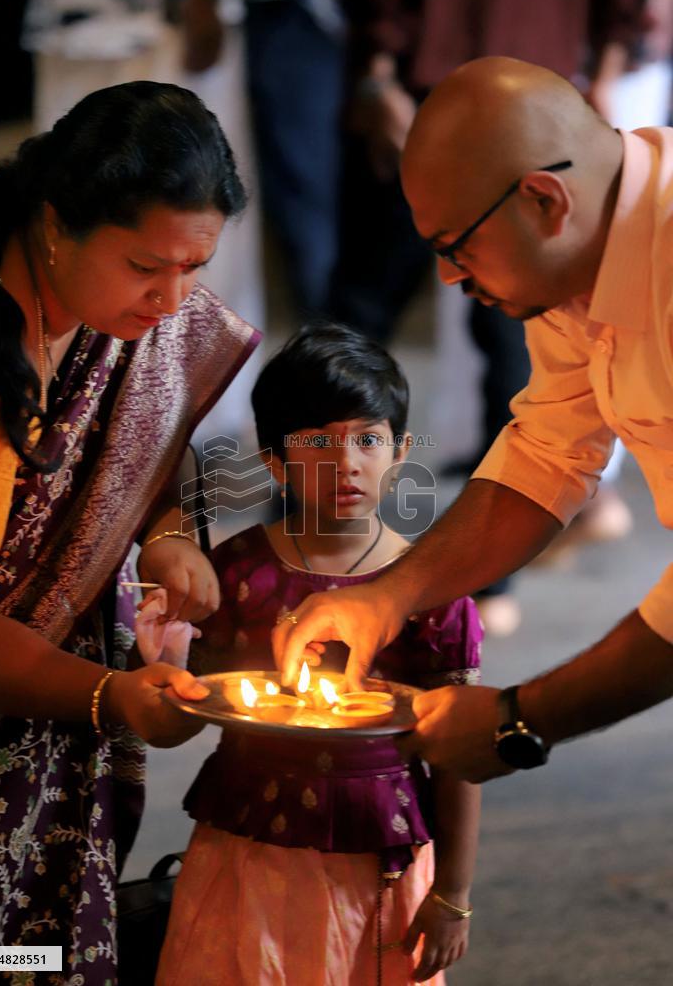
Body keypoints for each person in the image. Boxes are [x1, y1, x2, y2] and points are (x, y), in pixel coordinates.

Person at [272, 56, 673, 785]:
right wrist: (389, 596)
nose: (452, 280)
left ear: (544, 201)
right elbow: (548, 454)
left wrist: (521, 718)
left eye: (457, 249)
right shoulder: (579, 250)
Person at [0, 80, 259, 984]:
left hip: (44, 676)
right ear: (56, 224)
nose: (172, 301)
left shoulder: (96, 283)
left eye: (194, 269)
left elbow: (138, 434)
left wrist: (161, 528)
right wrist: (112, 699)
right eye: (146, 268)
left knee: (33, 936)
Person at [156, 325, 482, 985]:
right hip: (248, 850)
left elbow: (459, 753)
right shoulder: (238, 575)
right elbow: (186, 715)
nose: (348, 464)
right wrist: (164, 664)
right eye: (317, 445)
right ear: (274, 462)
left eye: (368, 439)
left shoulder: (430, 591)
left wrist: (453, 894)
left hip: (380, 863)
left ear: (402, 452)